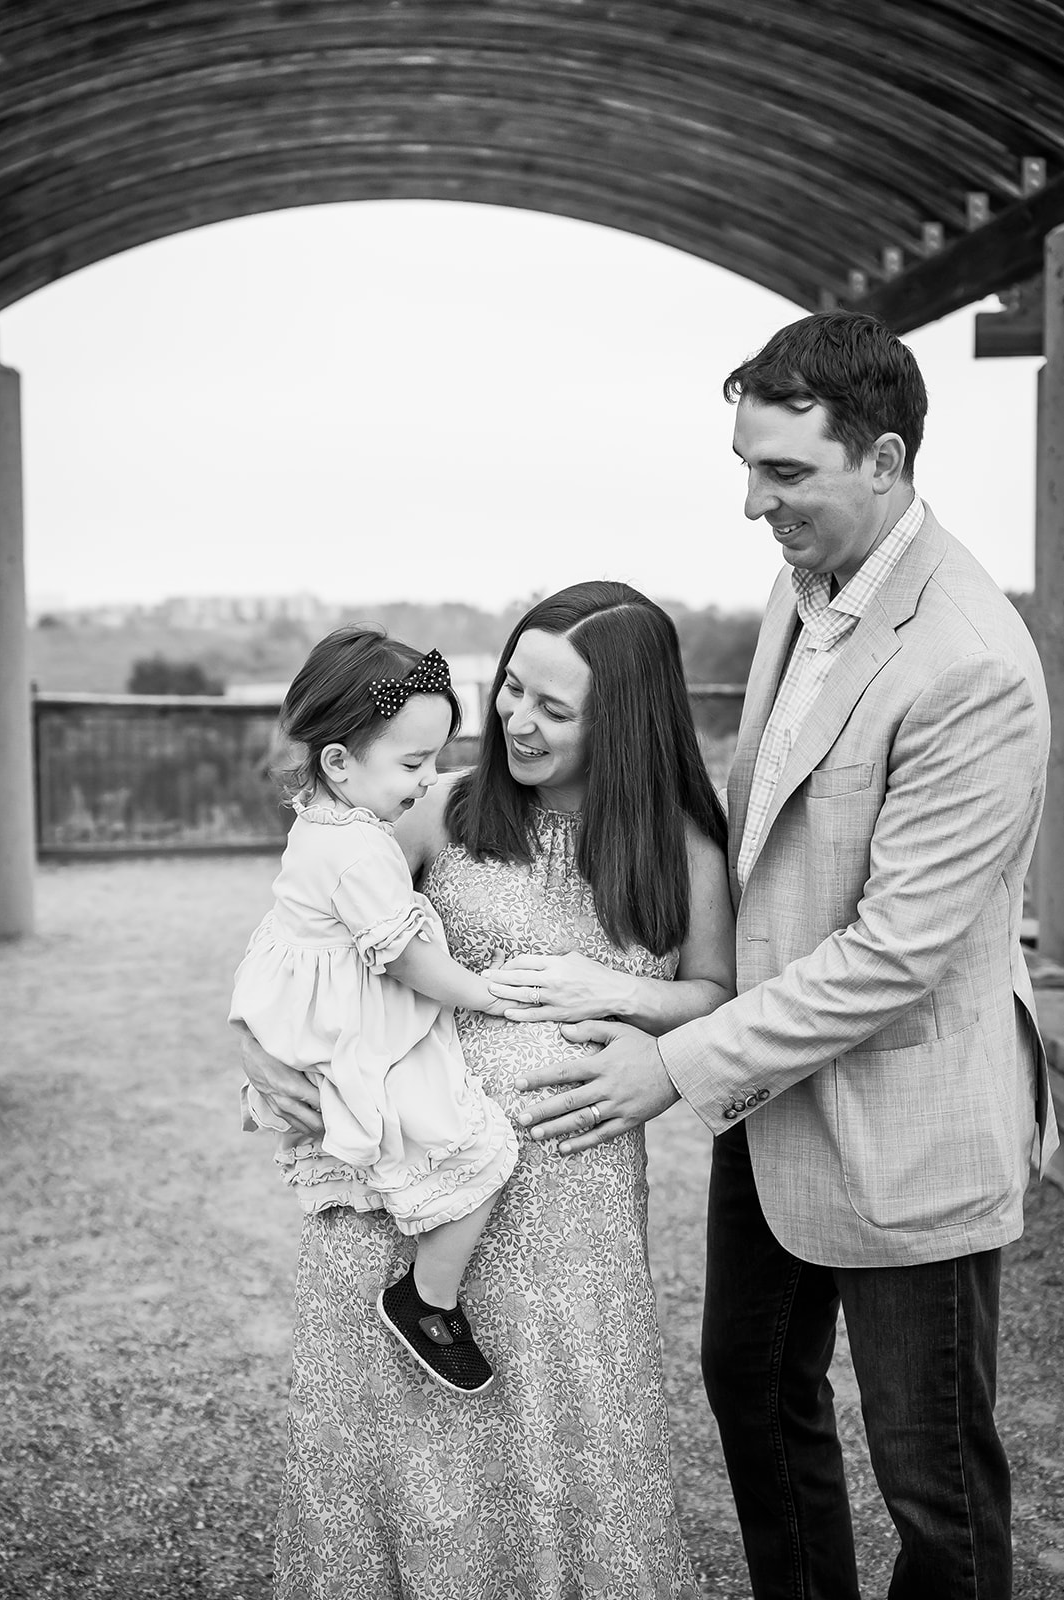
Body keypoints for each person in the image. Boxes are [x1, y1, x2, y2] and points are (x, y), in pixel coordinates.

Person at [513, 313, 1059, 1599]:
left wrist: (675, 1059)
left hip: (910, 1118)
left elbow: (893, 955)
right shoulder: (802, 582)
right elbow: (770, 837)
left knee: (931, 1479)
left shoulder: (972, 663)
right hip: (773, 1094)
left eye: (785, 472)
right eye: (747, 466)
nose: (754, 503)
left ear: (884, 458)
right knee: (752, 1391)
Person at [238, 581, 735, 1599]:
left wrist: (619, 990)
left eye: (555, 707)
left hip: (574, 1223)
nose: (517, 720)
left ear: (626, 720)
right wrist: (248, 1040)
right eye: (512, 688)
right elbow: (309, 919)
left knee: (562, 1438)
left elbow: (718, 997)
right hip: (404, 1194)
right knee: (403, 1443)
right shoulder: (441, 804)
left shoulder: (679, 846)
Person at [229, 627, 519, 1397]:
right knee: (480, 1149)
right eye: (414, 763)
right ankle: (428, 1299)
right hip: (354, 1024)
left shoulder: (322, 819)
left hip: (317, 1012)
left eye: (436, 759)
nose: (430, 779)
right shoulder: (359, 849)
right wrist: (484, 991)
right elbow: (406, 960)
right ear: (338, 762)